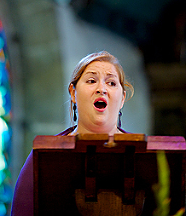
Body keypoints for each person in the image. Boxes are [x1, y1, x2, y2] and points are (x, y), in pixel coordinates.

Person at [11, 51, 133, 215]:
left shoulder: (143, 153)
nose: (102, 89)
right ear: (73, 92)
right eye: (91, 80)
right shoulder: (46, 154)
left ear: (122, 98)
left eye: (111, 83)